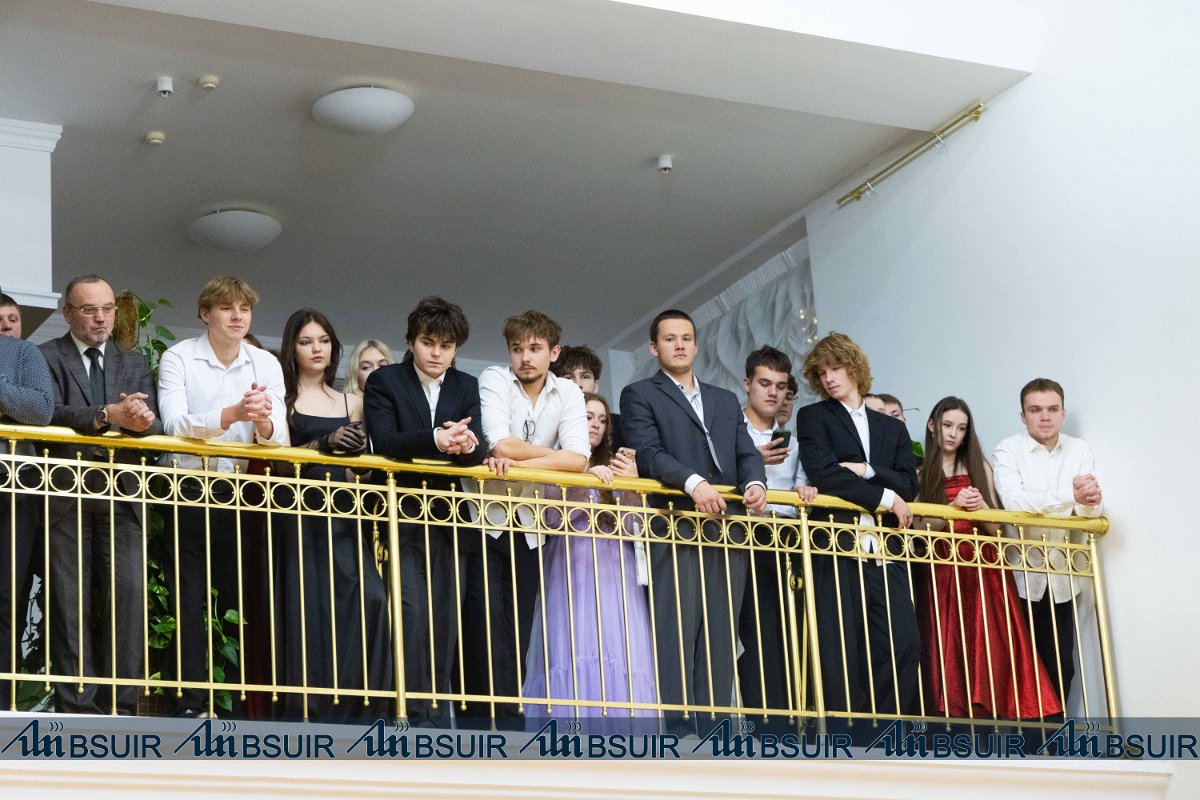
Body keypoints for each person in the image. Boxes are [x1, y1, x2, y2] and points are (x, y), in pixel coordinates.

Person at [619, 309, 767, 736]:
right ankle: (679, 726)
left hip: (729, 524)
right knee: (677, 626)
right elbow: (648, 453)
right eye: (670, 339)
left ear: (697, 345)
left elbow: (745, 452)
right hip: (676, 520)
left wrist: (755, 483)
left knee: (721, 628)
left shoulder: (724, 399)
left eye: (686, 338)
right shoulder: (638, 393)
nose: (680, 345)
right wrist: (693, 483)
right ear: (654, 348)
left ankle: (715, 725)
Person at [157, 275, 288, 717]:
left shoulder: (265, 363)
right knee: (188, 595)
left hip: (240, 488)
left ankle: (232, 707)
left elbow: (278, 436)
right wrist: (231, 414)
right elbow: (174, 425)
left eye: (244, 309)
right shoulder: (179, 357)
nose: (237, 316)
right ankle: (189, 704)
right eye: (227, 307)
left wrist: (263, 421)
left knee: (237, 596)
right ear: (205, 313)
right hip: (188, 485)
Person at [38, 275, 161, 715]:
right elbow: (48, 412)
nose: (101, 318)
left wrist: (141, 420)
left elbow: (155, 422)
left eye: (107, 309)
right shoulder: (46, 356)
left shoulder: (134, 361)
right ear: (68, 313)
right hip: (67, 491)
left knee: (127, 598)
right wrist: (107, 414)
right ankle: (77, 708)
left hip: (121, 494)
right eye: (89, 309)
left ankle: (121, 708)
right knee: (69, 602)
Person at [362, 296, 483, 726]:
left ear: (456, 348)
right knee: (411, 612)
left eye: (446, 346)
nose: (436, 353)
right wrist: (436, 439)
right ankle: (408, 713)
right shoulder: (385, 381)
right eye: (428, 343)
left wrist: (465, 445)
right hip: (402, 512)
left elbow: (478, 450)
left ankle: (434, 714)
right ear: (411, 341)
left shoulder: (466, 385)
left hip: (451, 517)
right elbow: (384, 441)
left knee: (445, 617)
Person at [794, 332, 919, 736]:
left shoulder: (891, 428)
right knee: (842, 648)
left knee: (903, 641)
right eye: (822, 373)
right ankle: (849, 737)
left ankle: (887, 730)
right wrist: (886, 496)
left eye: (836, 368)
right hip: (836, 545)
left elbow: (910, 484)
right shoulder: (813, 417)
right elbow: (825, 473)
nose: (829, 378)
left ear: (854, 368)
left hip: (885, 549)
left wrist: (867, 471)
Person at [472, 309, 589, 726]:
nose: (525, 357)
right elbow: (499, 445)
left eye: (535, 348)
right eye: (517, 349)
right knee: (485, 623)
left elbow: (580, 458)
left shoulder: (569, 392)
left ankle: (511, 719)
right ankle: (488, 720)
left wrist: (523, 461)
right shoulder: (493, 377)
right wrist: (556, 457)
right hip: (484, 518)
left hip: (532, 524)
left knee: (520, 624)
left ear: (554, 353)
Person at [274, 308, 391, 721]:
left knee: (371, 598)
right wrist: (324, 443)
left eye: (323, 341)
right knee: (308, 609)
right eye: (306, 342)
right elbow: (279, 461)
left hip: (344, 512)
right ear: (292, 348)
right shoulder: (282, 399)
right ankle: (308, 709)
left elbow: (363, 471)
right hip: (298, 513)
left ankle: (363, 709)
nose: (316, 349)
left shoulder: (351, 401)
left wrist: (357, 458)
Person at [915, 396, 1062, 722]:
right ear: (932, 426)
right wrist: (953, 508)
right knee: (949, 643)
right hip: (943, 568)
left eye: (961, 428)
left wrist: (981, 507)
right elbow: (920, 529)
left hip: (985, 567)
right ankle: (954, 721)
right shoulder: (922, 472)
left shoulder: (980, 467)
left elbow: (998, 528)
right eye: (947, 425)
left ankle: (1003, 716)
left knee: (993, 644)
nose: (953, 434)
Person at [522, 392, 655, 731]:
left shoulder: (616, 465)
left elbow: (634, 526)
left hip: (616, 569)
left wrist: (632, 485)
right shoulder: (558, 459)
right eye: (587, 417)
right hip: (572, 562)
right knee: (572, 644)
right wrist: (582, 478)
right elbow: (550, 519)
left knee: (620, 646)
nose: (595, 424)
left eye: (602, 419)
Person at [992, 378, 1102, 716]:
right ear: (1023, 416)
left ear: (1063, 413)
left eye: (1052, 409)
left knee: (1061, 669)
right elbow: (1015, 503)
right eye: (1036, 409)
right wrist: (1071, 496)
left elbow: (1089, 510)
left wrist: (1089, 500)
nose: (1045, 416)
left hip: (1062, 580)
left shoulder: (1080, 450)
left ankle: (1052, 743)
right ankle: (1022, 742)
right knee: (1020, 670)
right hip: (1018, 579)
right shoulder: (1007, 450)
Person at [737, 346, 816, 727]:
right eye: (765, 383)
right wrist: (750, 458)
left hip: (786, 539)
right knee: (756, 634)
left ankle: (795, 722)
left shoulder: (793, 440)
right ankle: (764, 725)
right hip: (742, 536)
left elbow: (802, 489)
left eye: (781, 386)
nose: (773, 393)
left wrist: (806, 490)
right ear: (747, 384)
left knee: (793, 632)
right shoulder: (730, 429)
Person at [0, 322, 54, 709]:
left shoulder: (22, 353)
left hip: (15, 488)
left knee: (5, 598)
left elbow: (40, 411)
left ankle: (2, 704)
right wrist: (10, 400)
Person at [553, 344, 624, 448]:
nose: (578, 384)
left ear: (595, 386)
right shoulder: (548, 422)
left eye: (585, 377)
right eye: (568, 378)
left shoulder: (619, 426)